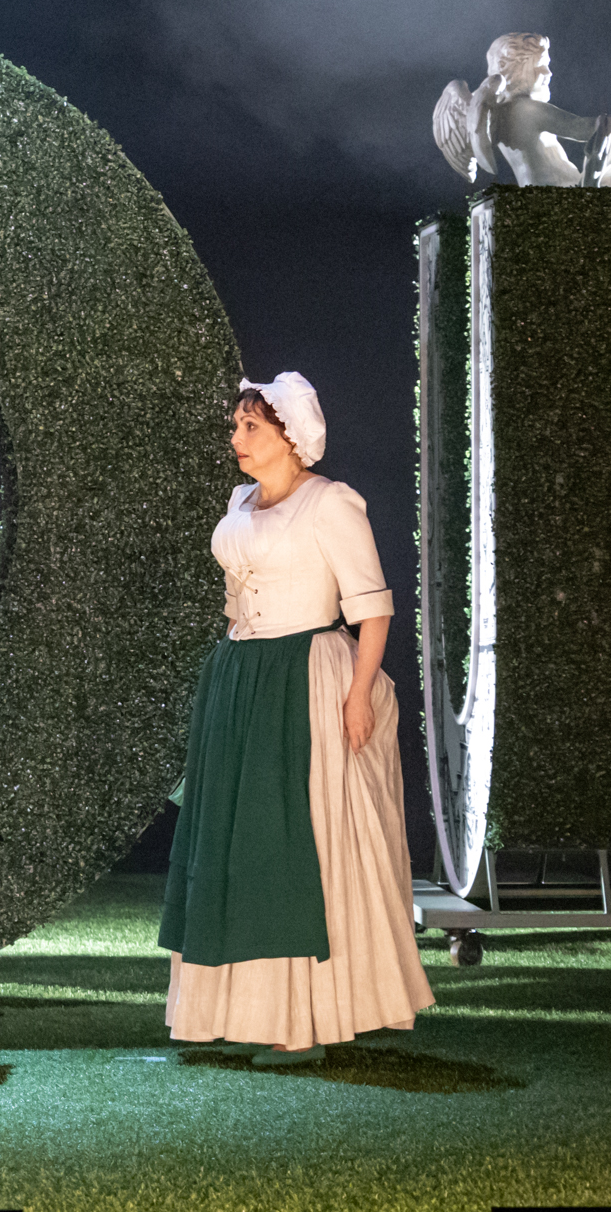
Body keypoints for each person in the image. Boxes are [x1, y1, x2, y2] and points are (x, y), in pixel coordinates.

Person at [158, 374, 435, 1064]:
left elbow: (373, 609)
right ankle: (241, 1010)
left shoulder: (330, 503)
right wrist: (227, 679)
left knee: (296, 842)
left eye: (251, 426)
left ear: (290, 436)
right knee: (239, 843)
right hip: (242, 675)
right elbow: (236, 599)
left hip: (305, 674)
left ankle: (303, 1020)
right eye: (237, 425)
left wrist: (359, 695)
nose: (237, 437)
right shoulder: (239, 502)